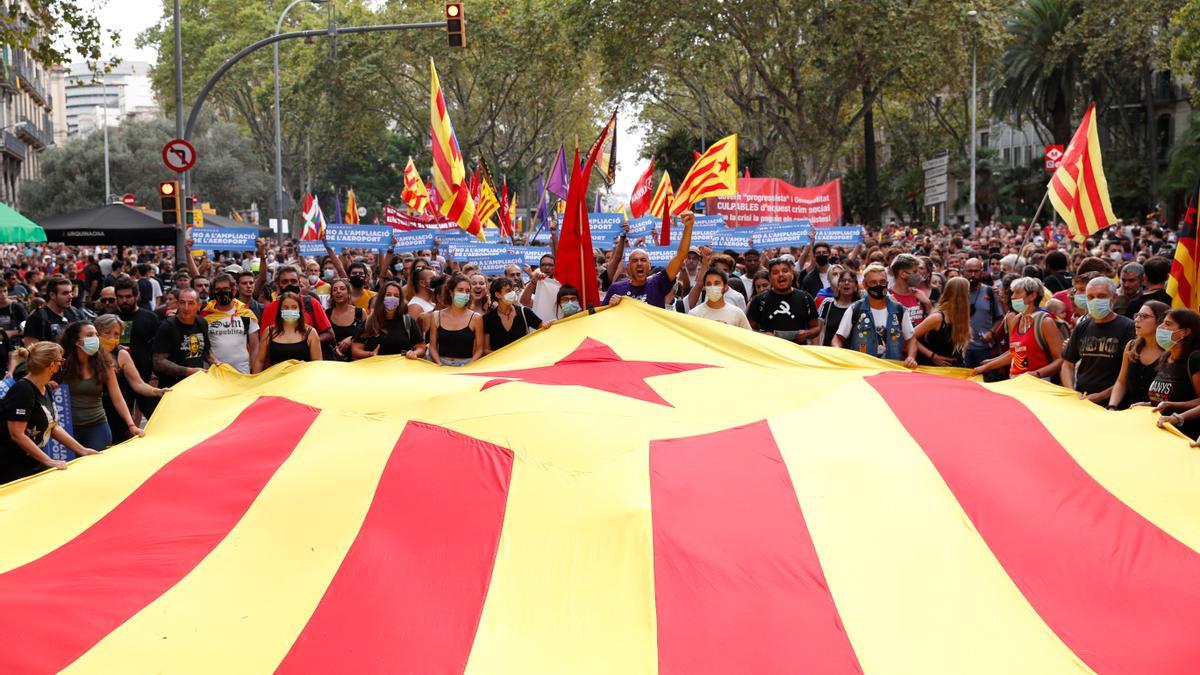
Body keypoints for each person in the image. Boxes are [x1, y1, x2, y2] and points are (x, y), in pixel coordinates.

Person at [0, 342, 98, 484]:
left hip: (33, 461)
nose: (61, 365)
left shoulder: (46, 388)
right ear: (51, 365)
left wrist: (81, 450)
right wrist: (49, 461)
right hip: (12, 466)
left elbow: (53, 426)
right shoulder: (23, 390)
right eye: (60, 361)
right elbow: (17, 434)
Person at [56, 321, 143, 450]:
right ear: (77, 341)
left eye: (96, 335)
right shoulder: (61, 365)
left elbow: (118, 398)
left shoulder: (104, 364)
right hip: (67, 428)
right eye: (90, 335)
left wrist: (131, 425)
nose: (95, 339)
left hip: (97, 426)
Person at [1060, 277, 1136, 404]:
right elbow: (1067, 364)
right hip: (1082, 399)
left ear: (1114, 298)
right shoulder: (1082, 326)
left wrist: (1101, 396)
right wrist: (1071, 392)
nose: (1095, 301)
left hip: (1113, 402)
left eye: (1101, 296)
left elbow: (1129, 375)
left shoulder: (1128, 327)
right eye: (1090, 297)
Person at [973, 277, 1064, 381]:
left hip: (1039, 384)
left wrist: (1036, 374)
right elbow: (1015, 353)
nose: (1012, 297)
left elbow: (1060, 359)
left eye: (1017, 293)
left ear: (1032, 296)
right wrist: (988, 365)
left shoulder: (1045, 321)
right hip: (1015, 381)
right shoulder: (1017, 319)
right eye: (1012, 293)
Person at [94, 314, 166, 443]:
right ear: (96, 333)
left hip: (118, 413)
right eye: (107, 333)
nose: (112, 338)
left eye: (116, 334)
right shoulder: (87, 355)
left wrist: (157, 391)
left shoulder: (122, 354)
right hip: (92, 415)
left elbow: (137, 383)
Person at [604, 211, 697, 308]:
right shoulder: (616, 289)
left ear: (649, 266)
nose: (639, 263)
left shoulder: (658, 284)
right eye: (635, 261)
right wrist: (611, 307)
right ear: (628, 267)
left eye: (643, 260)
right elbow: (600, 317)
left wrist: (688, 227)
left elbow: (680, 256)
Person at [833, 263, 917, 366]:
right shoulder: (855, 309)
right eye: (873, 283)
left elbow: (911, 339)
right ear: (864, 284)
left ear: (887, 283)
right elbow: (838, 338)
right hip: (863, 369)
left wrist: (911, 357)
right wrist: (839, 354)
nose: (878, 286)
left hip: (892, 371)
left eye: (882, 282)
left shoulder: (899, 310)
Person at [1107, 300, 1168, 410]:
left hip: (1159, 415)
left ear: (1160, 321)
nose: (1137, 320)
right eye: (1137, 315)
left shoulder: (1170, 352)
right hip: (1130, 412)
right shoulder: (1131, 346)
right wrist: (1112, 406)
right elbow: (1121, 382)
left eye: (1144, 316)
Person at [746, 257, 820, 343]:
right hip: (769, 352)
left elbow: (816, 328)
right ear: (770, 278)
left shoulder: (806, 298)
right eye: (775, 272)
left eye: (785, 271)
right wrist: (763, 335)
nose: (781, 275)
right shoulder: (759, 300)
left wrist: (807, 333)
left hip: (798, 353)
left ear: (792, 275)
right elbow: (749, 329)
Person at [152, 287, 213, 390]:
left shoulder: (202, 323)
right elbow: (158, 362)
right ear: (177, 304)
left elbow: (206, 351)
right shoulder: (167, 326)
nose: (186, 308)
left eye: (191, 303)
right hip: (172, 387)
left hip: (196, 384)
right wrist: (188, 371)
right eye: (182, 303)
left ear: (199, 305)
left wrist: (216, 362)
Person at [199, 273, 259, 375]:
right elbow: (202, 346)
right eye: (218, 290)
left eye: (226, 288)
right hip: (214, 372)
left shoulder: (245, 313)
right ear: (213, 292)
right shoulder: (206, 315)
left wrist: (254, 373)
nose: (222, 292)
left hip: (241, 372)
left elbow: (255, 347)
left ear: (234, 290)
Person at [260, 265, 334, 346]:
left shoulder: (312, 303)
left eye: (293, 281)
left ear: (299, 282)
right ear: (278, 284)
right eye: (285, 282)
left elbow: (329, 334)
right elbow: (264, 339)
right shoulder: (269, 309)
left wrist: (308, 343)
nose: (290, 284)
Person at [352, 282, 426, 360]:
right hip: (376, 368)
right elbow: (355, 350)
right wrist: (370, 354)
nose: (392, 298)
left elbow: (421, 347)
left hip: (401, 369)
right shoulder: (369, 321)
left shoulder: (408, 321)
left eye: (396, 296)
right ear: (381, 298)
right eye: (388, 295)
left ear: (400, 300)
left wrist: (414, 353)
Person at [254, 292, 322, 371]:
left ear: (300, 309)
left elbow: (318, 364)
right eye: (286, 307)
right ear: (280, 310)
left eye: (294, 307)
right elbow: (260, 361)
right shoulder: (269, 332)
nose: (290, 310)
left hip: (302, 380)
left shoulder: (311, 333)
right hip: (275, 380)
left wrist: (306, 365)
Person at [914, 276, 971, 367]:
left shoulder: (961, 316)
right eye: (967, 292)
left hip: (955, 367)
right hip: (934, 369)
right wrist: (932, 356)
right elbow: (910, 336)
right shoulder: (938, 318)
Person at [429, 274, 484, 366]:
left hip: (467, 365)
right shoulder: (436, 316)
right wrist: (439, 364)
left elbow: (480, 349)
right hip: (441, 366)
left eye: (467, 291)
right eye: (460, 290)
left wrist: (469, 366)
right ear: (451, 292)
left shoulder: (476, 318)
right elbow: (432, 347)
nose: (464, 294)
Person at [483, 277, 543, 352]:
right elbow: (486, 349)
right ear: (498, 295)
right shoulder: (488, 319)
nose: (513, 293)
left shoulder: (525, 312)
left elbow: (543, 328)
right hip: (501, 362)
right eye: (508, 291)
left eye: (512, 290)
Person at [23, 275, 84, 345]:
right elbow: (31, 349)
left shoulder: (75, 313)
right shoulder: (37, 318)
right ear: (52, 295)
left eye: (70, 292)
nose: (70, 296)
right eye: (65, 293)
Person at [817, 268, 859, 347]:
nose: (846, 283)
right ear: (838, 285)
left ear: (856, 286)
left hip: (852, 356)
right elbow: (817, 330)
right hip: (828, 354)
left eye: (850, 281)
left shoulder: (859, 307)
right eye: (843, 280)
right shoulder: (828, 303)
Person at [888, 253, 931, 326]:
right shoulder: (889, 297)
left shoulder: (919, 295)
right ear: (902, 274)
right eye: (915, 271)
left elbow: (931, 324)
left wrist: (928, 304)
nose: (918, 274)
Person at [327, 278, 365, 361]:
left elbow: (367, 334)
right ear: (332, 295)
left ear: (349, 293)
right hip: (332, 361)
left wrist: (352, 339)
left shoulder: (360, 312)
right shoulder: (326, 314)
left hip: (356, 361)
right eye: (334, 290)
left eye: (342, 289)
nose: (338, 291)